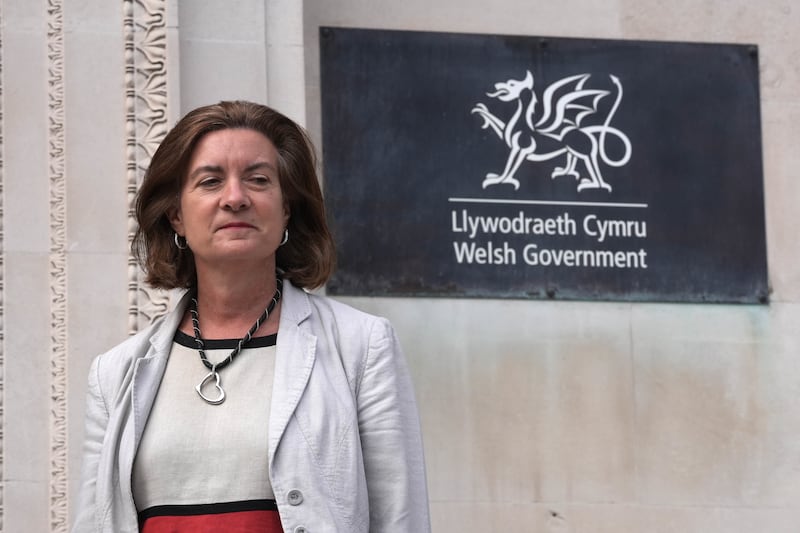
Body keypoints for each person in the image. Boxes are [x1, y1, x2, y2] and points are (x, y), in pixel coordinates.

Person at [72, 100, 430, 533]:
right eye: (210, 181)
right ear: (176, 216)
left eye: (258, 180)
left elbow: (400, 520)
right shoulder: (114, 375)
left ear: (287, 210)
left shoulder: (362, 346)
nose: (235, 198)